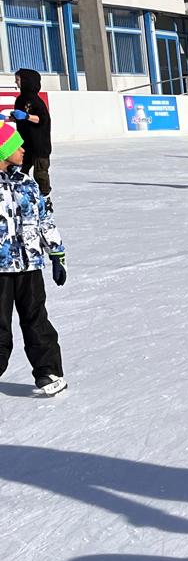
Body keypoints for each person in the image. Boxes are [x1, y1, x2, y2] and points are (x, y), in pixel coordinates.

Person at [0, 120, 67, 397]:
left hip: (29, 265)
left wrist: (57, 253)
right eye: (16, 146)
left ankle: (48, 371)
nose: (23, 150)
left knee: (36, 320)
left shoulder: (27, 183)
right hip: (1, 270)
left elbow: (44, 220)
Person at [10, 69, 52, 202]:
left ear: (26, 81)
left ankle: (46, 198)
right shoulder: (20, 100)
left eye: (18, 80)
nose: (16, 82)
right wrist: (8, 118)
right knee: (20, 170)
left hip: (40, 144)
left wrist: (27, 116)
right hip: (25, 144)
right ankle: (24, 196)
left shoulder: (36, 101)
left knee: (40, 174)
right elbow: (19, 119)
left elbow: (43, 119)